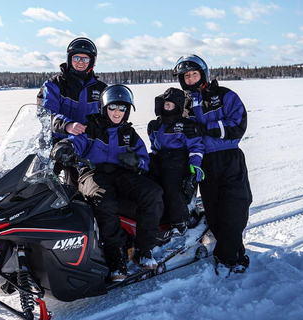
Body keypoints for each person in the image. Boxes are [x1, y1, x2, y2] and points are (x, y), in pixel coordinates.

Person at [51, 84, 164, 282]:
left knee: (152, 193)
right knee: (104, 200)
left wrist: (136, 162)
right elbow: (76, 142)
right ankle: (116, 256)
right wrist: (65, 146)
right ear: (104, 108)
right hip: (92, 172)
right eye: (113, 107)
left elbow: (144, 159)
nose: (117, 112)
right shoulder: (91, 127)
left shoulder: (129, 134)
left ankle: (144, 250)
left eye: (122, 108)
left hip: (121, 173)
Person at [173, 54, 253, 276]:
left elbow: (237, 125)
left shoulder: (225, 95)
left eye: (194, 74)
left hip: (228, 158)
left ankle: (228, 259)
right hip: (204, 163)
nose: (190, 79)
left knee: (234, 211)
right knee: (216, 214)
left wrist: (205, 128)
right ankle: (235, 253)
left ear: (204, 73)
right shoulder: (185, 104)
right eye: (186, 76)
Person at [37, 37, 107, 184]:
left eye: (85, 59)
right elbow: (46, 114)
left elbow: (109, 118)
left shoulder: (101, 89)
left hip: (83, 147)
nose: (80, 62)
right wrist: (66, 125)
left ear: (91, 62)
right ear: (70, 59)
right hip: (54, 144)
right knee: (41, 184)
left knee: (78, 190)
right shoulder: (53, 85)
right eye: (76, 57)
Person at [147, 87, 205, 237]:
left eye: (171, 105)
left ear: (178, 107)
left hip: (178, 159)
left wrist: (195, 163)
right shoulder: (155, 125)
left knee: (171, 185)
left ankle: (180, 221)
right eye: (166, 104)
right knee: (146, 174)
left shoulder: (184, 125)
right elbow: (154, 145)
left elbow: (195, 145)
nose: (168, 107)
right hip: (160, 157)